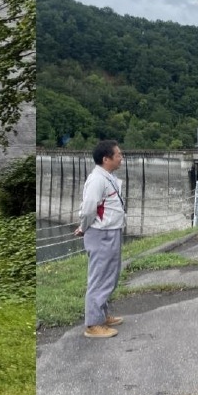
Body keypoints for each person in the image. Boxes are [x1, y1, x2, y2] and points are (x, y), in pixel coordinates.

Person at [76, 139, 126, 338]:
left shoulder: (107, 177)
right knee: (100, 277)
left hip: (110, 232)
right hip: (102, 234)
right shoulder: (97, 180)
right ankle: (93, 324)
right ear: (106, 159)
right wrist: (83, 227)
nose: (121, 158)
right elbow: (89, 208)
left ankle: (102, 315)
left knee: (109, 275)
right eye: (118, 155)